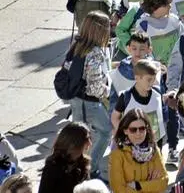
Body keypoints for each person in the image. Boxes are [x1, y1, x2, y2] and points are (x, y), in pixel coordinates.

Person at [65, 11, 112, 180]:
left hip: (76, 99)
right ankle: (89, 170)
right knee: (105, 132)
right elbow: (94, 87)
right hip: (89, 102)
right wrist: (109, 92)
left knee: (79, 137)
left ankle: (78, 169)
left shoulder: (76, 45)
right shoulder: (95, 53)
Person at [108, 109, 168, 193]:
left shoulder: (154, 150)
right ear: (125, 131)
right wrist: (151, 185)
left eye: (142, 129)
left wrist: (138, 186)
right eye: (133, 130)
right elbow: (119, 190)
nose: (138, 133)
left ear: (147, 129)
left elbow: (164, 181)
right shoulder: (117, 154)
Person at [37, 123, 91, 193]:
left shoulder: (83, 162)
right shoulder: (53, 167)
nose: (90, 143)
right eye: (86, 139)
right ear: (74, 144)